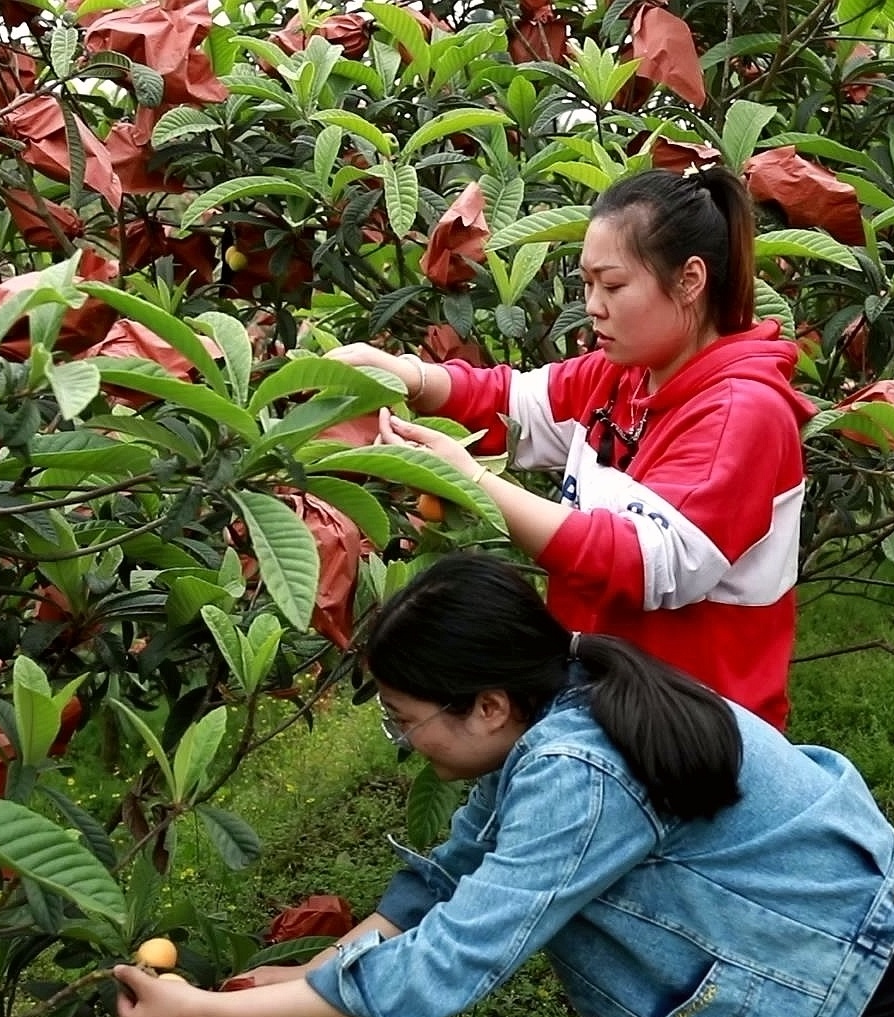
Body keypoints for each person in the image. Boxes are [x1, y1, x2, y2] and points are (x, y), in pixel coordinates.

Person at [113, 554, 894, 1017]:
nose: (401, 739)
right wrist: (316, 973)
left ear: (488, 705)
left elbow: (453, 962)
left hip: (877, 987)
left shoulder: (580, 772)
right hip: (865, 951)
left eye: (403, 717)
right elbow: (447, 880)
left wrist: (194, 1015)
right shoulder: (558, 703)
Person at [326, 168, 815, 731]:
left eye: (613, 286)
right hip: (610, 705)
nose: (593, 306)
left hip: (695, 732)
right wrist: (406, 375)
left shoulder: (742, 413)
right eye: (586, 285)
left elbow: (646, 562)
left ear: (689, 281)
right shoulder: (623, 376)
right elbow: (513, 402)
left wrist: (472, 482)